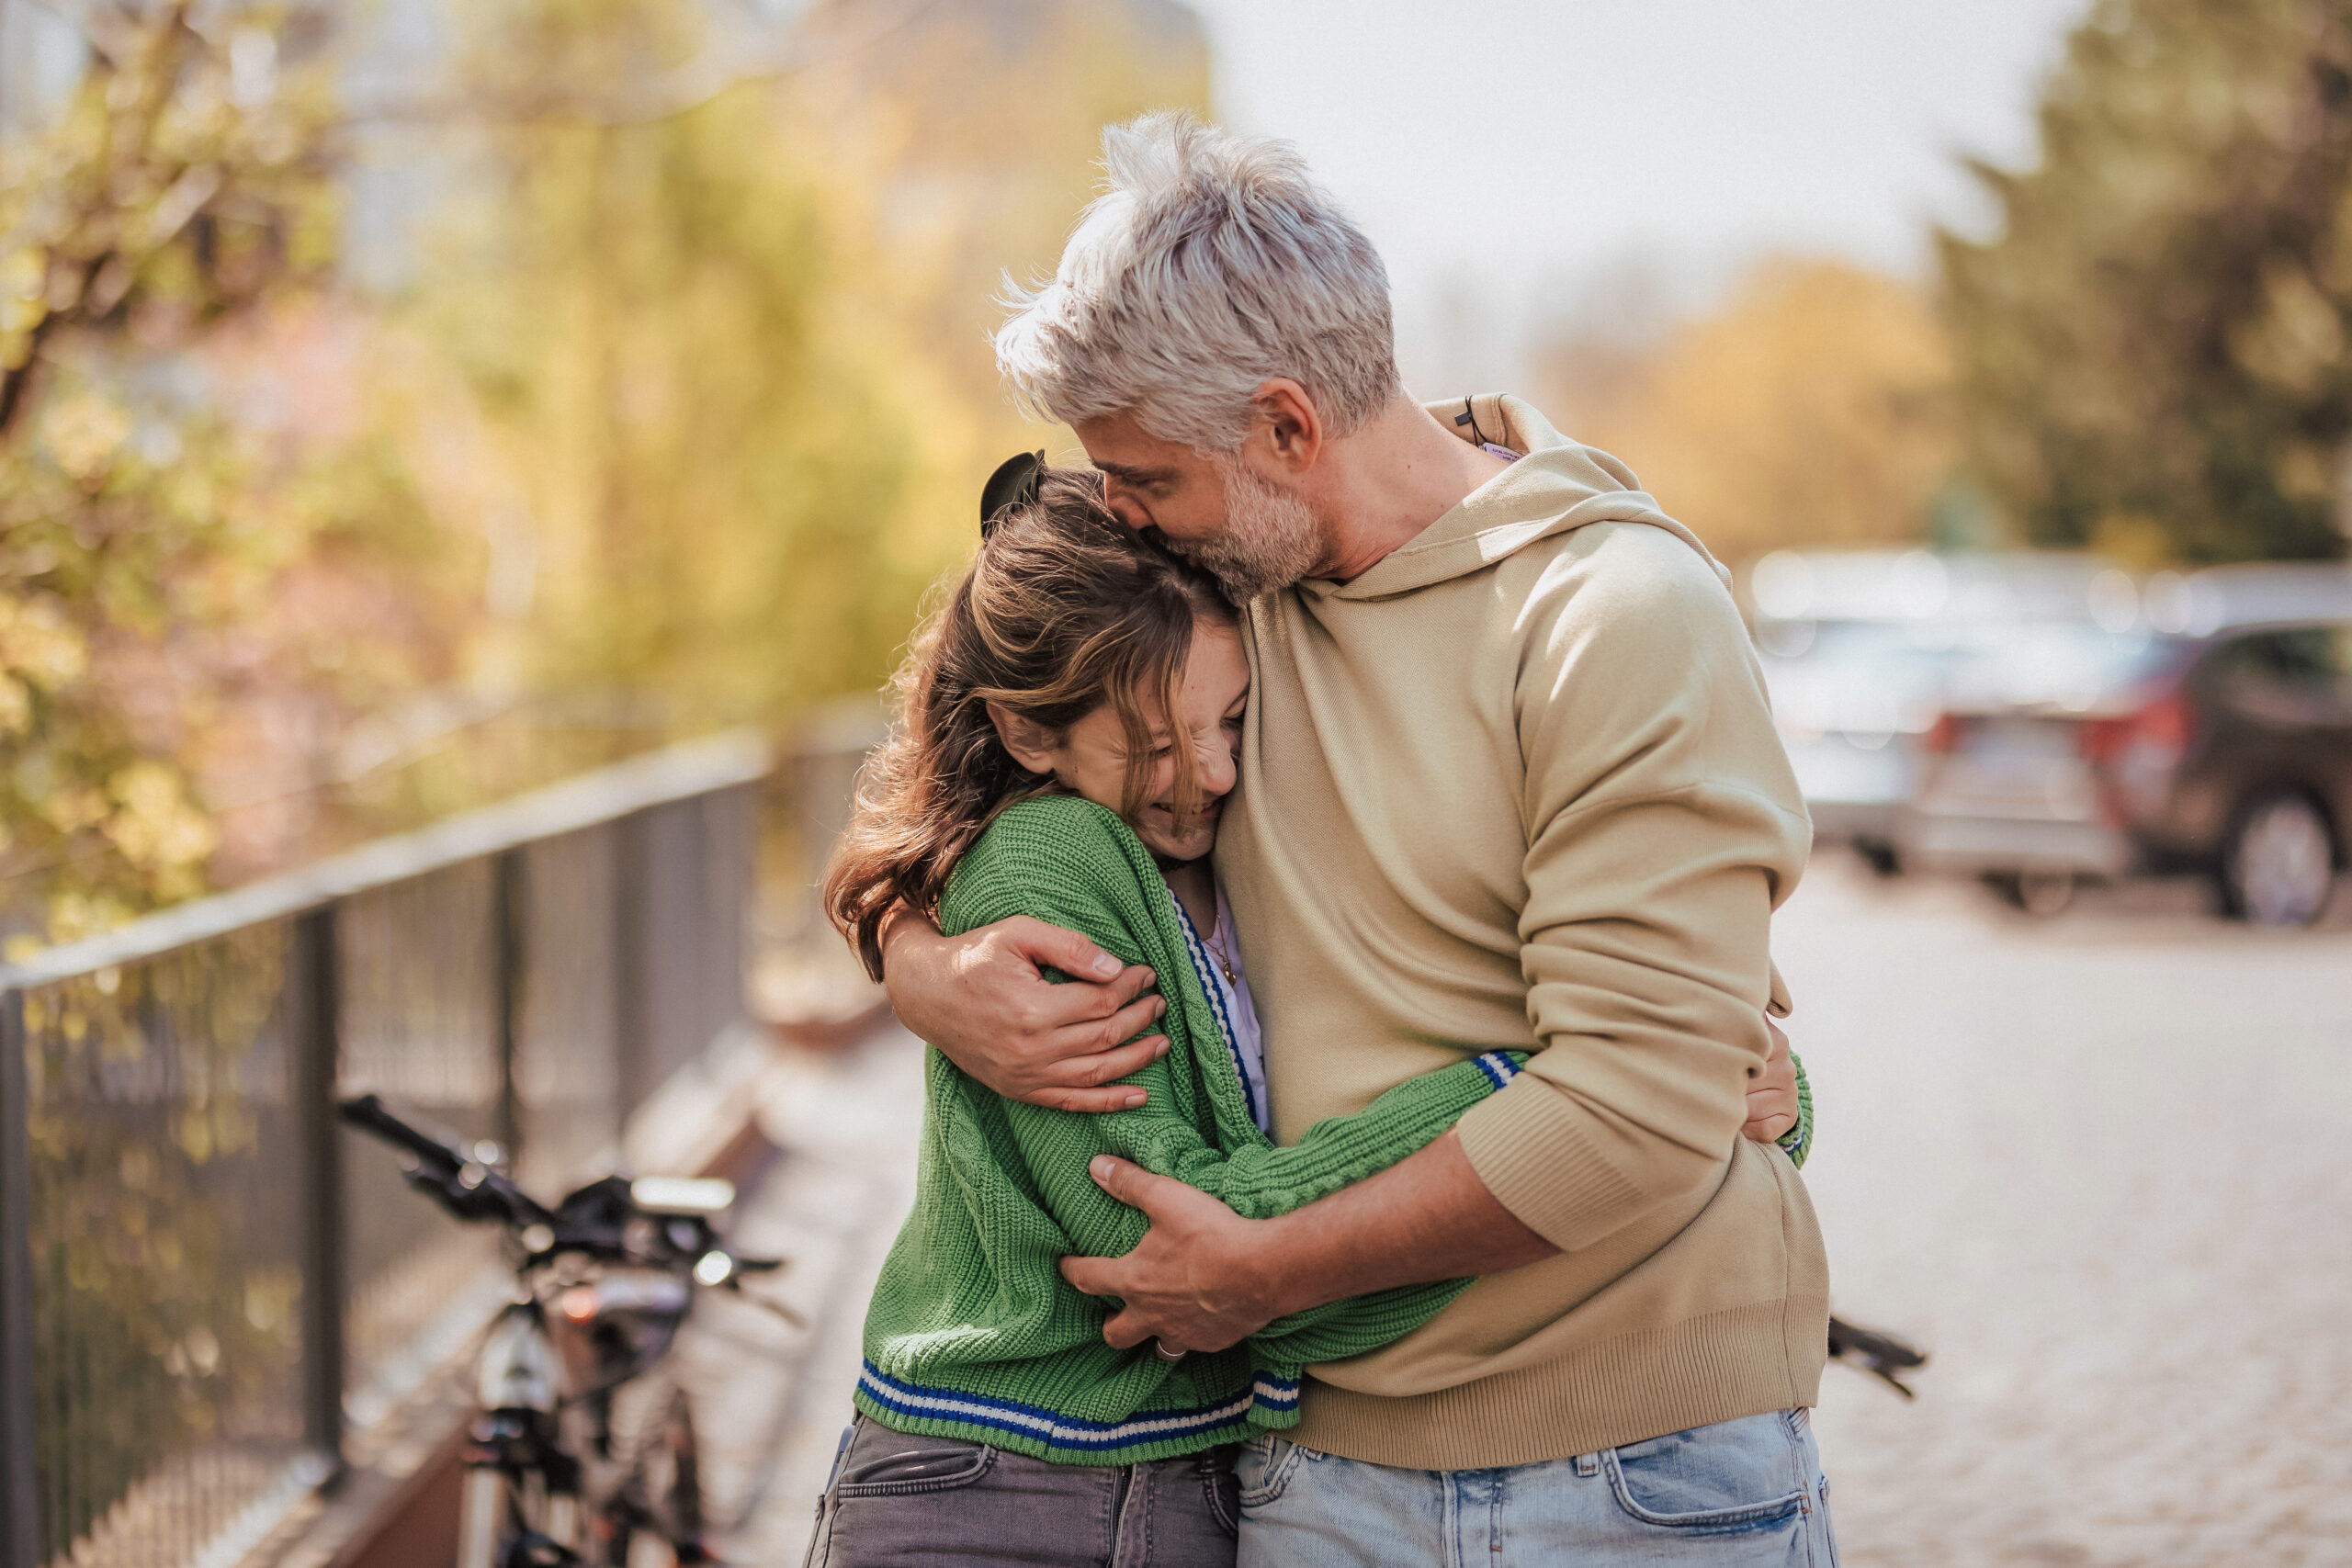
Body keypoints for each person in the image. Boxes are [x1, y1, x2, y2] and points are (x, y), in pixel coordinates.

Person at [876, 112, 1837, 1565]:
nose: (1121, 515)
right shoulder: (1214, 608)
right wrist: (914, 960)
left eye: (1145, 475)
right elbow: (966, 747)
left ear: (1283, 427)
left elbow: (1643, 1103)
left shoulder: (1615, 616)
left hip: (1637, 1476)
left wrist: (1261, 1268)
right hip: (1318, 1473)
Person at [806, 465, 1813, 1568]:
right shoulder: (1058, 856)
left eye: (1230, 720)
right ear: (1030, 734)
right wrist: (1558, 1093)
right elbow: (1173, 1238)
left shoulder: (1221, 825)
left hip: (1192, 1470)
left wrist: (1705, 1079)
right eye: (1152, 745)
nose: (1207, 772)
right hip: (1001, 1484)